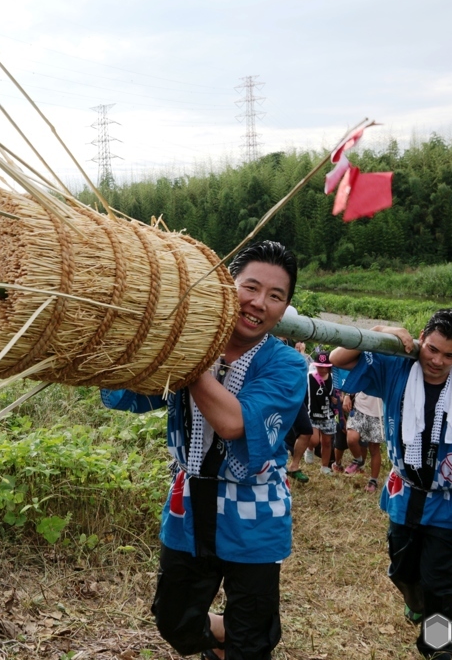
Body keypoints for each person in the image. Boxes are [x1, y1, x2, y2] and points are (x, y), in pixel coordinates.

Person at [102, 240, 307, 660]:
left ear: (285, 308)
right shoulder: (194, 344)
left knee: (252, 645)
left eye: (275, 296)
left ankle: (246, 640)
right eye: (250, 287)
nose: (258, 303)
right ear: (225, 286)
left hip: (254, 515)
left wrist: (189, 355)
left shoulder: (285, 365)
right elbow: (127, 395)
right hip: (190, 506)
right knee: (173, 619)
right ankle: (231, 635)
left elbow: (234, 423)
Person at [329, 309, 452, 660]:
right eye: (431, 349)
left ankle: (437, 648)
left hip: (450, 504)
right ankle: (415, 604)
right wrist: (379, 331)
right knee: (403, 572)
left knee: (440, 588)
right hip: (406, 495)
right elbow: (337, 358)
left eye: (449, 356)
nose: (437, 361)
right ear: (421, 338)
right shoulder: (396, 369)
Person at [342, 391, 385, 493]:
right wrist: (348, 396)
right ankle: (358, 460)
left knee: (374, 448)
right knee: (351, 438)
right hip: (359, 407)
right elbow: (356, 377)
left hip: (378, 413)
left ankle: (373, 481)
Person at [307, 350, 337, 475]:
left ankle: (325, 466)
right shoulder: (309, 377)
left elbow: (336, 396)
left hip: (328, 415)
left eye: (325, 367)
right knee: (314, 440)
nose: (322, 370)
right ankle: (309, 448)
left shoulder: (334, 379)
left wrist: (336, 399)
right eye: (319, 366)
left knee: (327, 441)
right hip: (313, 414)